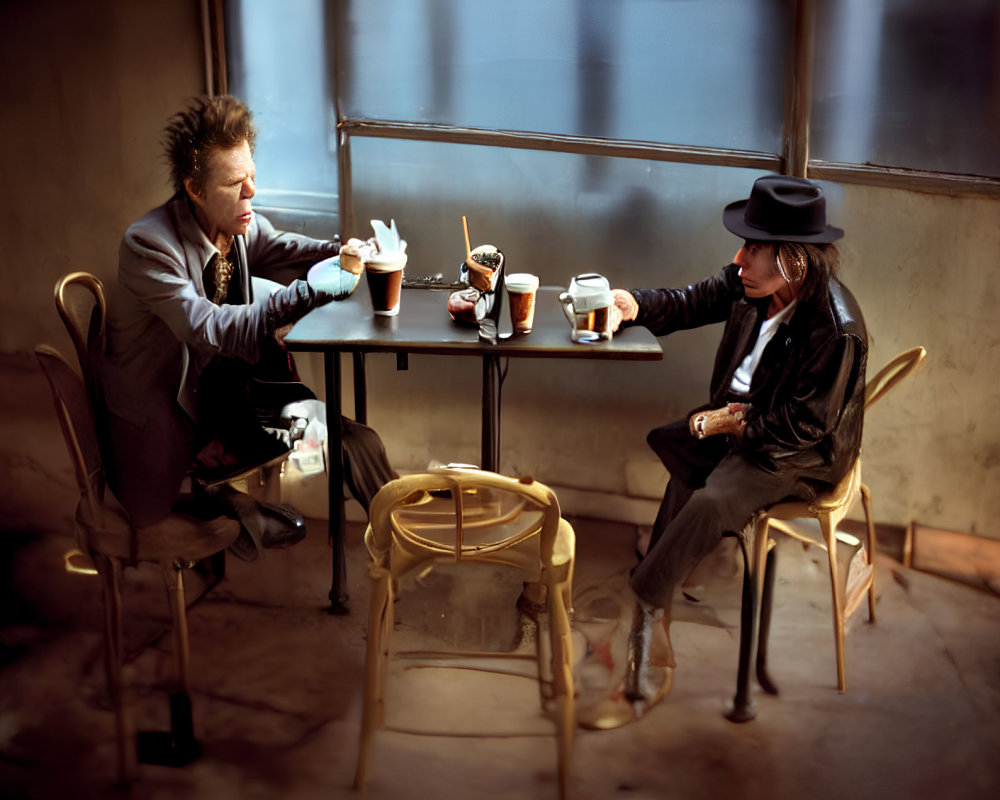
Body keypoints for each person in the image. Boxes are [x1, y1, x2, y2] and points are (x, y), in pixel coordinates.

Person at [609, 174, 868, 713]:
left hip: (795, 453)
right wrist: (631, 304)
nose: (740, 257)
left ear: (795, 261)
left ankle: (646, 600)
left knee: (708, 498)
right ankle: (656, 617)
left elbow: (803, 428)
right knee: (684, 465)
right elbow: (688, 302)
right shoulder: (750, 283)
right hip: (741, 422)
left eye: (753, 246)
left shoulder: (835, 329)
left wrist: (733, 426)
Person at [98, 95, 397, 558]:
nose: (251, 193)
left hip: (218, 394)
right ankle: (231, 510)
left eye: (253, 176)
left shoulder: (233, 222)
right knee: (328, 438)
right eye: (236, 183)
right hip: (164, 421)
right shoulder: (148, 245)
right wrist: (309, 291)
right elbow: (212, 328)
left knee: (358, 441)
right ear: (194, 188)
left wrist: (342, 251)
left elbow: (282, 248)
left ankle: (401, 534)